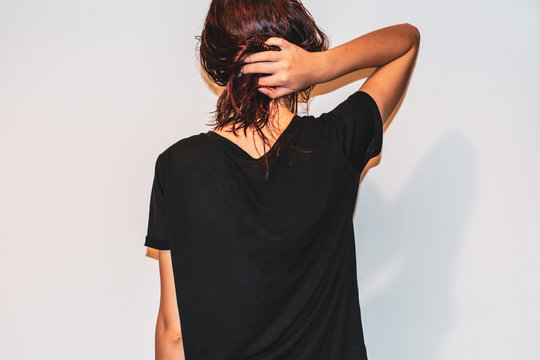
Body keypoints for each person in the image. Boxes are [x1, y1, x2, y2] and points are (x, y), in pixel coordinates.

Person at [144, 0, 420, 359]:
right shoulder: (336, 143)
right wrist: (322, 66)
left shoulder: (177, 166)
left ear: (219, 57)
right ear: (298, 50)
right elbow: (406, 42)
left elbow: (173, 330)